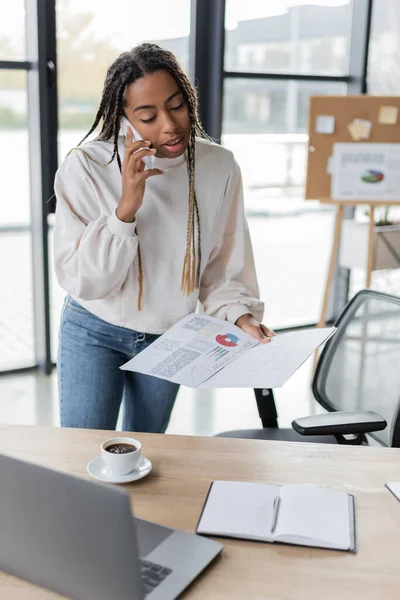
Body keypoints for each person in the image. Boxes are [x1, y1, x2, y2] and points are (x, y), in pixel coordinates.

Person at [53, 42, 274, 434]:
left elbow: (224, 266)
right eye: (148, 115)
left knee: (148, 450)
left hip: (170, 336)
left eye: (176, 105)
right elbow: (85, 281)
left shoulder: (219, 166)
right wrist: (125, 209)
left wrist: (240, 315)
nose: (169, 125)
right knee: (83, 454)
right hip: (94, 330)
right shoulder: (86, 166)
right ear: (123, 116)